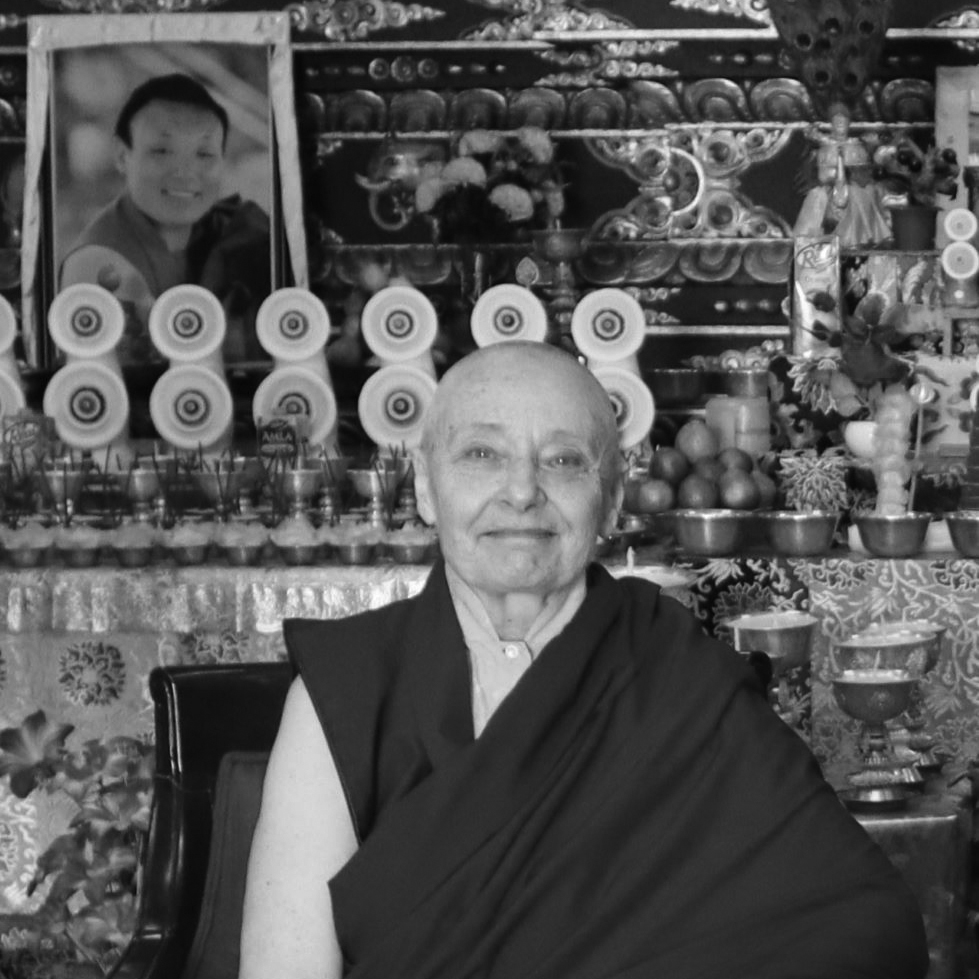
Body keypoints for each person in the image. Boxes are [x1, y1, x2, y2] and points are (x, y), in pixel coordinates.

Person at [240, 341, 928, 979]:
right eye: (481, 453)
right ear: (424, 487)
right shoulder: (349, 687)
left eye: (564, 460)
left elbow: (862, 922)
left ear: (612, 500)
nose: (520, 490)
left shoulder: (677, 676)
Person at [59, 73, 270, 363]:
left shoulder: (238, 232)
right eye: (161, 151)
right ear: (122, 156)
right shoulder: (98, 261)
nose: (185, 172)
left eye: (204, 154)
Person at [794, 101, 892, 248]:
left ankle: (861, 239)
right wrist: (836, 176)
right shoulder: (826, 147)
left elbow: (865, 171)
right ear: (832, 124)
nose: (841, 125)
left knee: (866, 193)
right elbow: (822, 175)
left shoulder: (857, 145)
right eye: (837, 122)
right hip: (831, 187)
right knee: (817, 196)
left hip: (857, 186)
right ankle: (816, 241)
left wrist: (855, 176)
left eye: (844, 122)